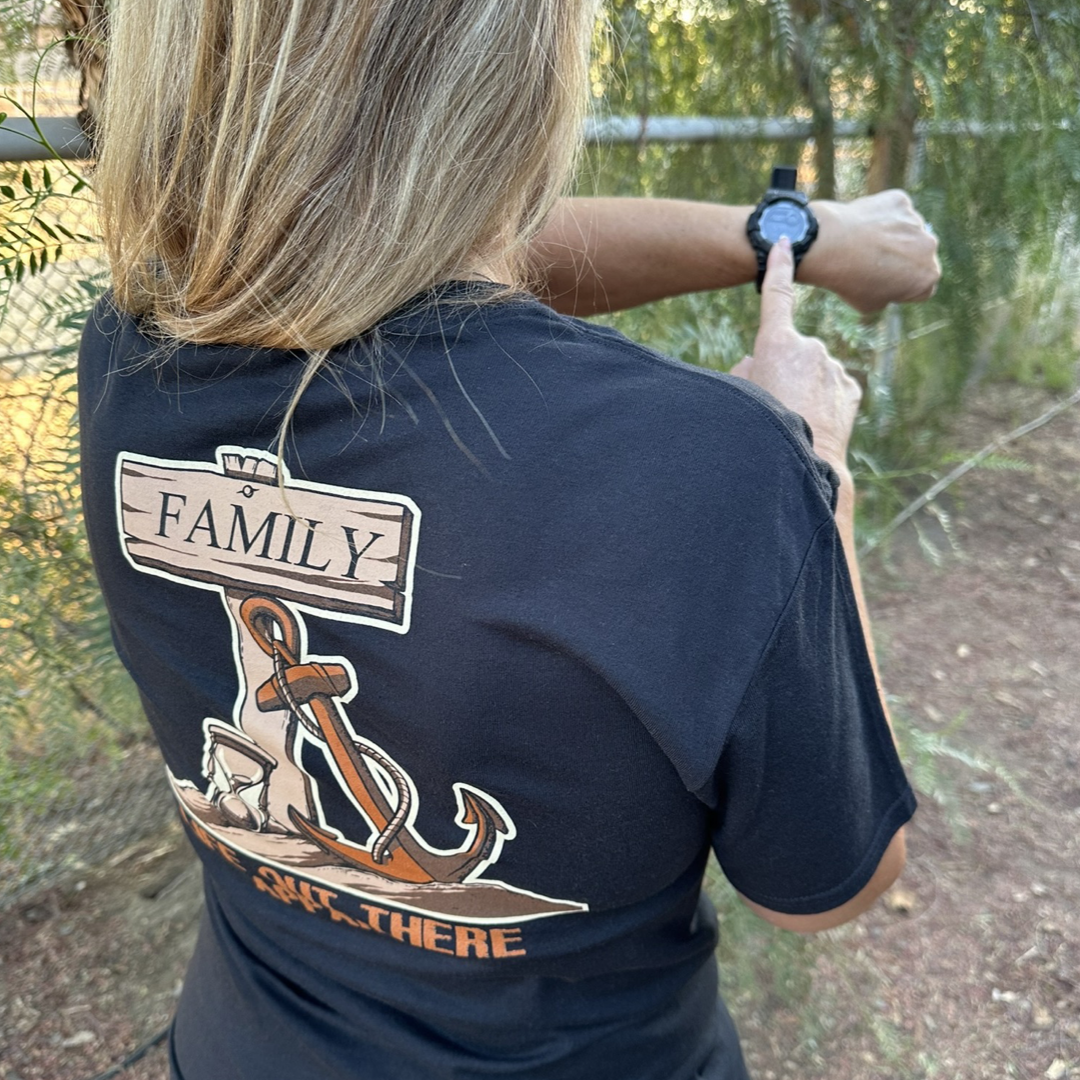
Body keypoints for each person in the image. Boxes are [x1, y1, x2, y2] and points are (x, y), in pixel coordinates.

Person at [77, 2, 936, 1077]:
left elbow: (407, 255)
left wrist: (790, 232)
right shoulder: (717, 469)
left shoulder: (124, 359)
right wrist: (821, 470)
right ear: (525, 73)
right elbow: (834, 886)